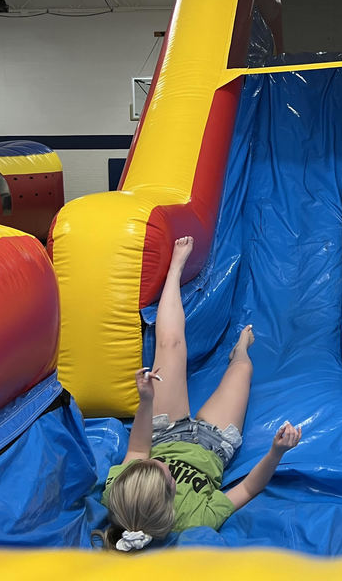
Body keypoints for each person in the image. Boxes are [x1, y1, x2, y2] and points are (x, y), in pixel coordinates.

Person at [94, 236, 302, 552]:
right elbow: (247, 488)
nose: (160, 464)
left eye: (151, 466)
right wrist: (276, 452)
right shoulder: (195, 519)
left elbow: (139, 447)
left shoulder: (120, 492)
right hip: (214, 443)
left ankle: (174, 273)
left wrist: (147, 399)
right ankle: (240, 350)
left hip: (164, 433)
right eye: (162, 471)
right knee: (243, 371)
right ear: (170, 497)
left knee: (170, 347)